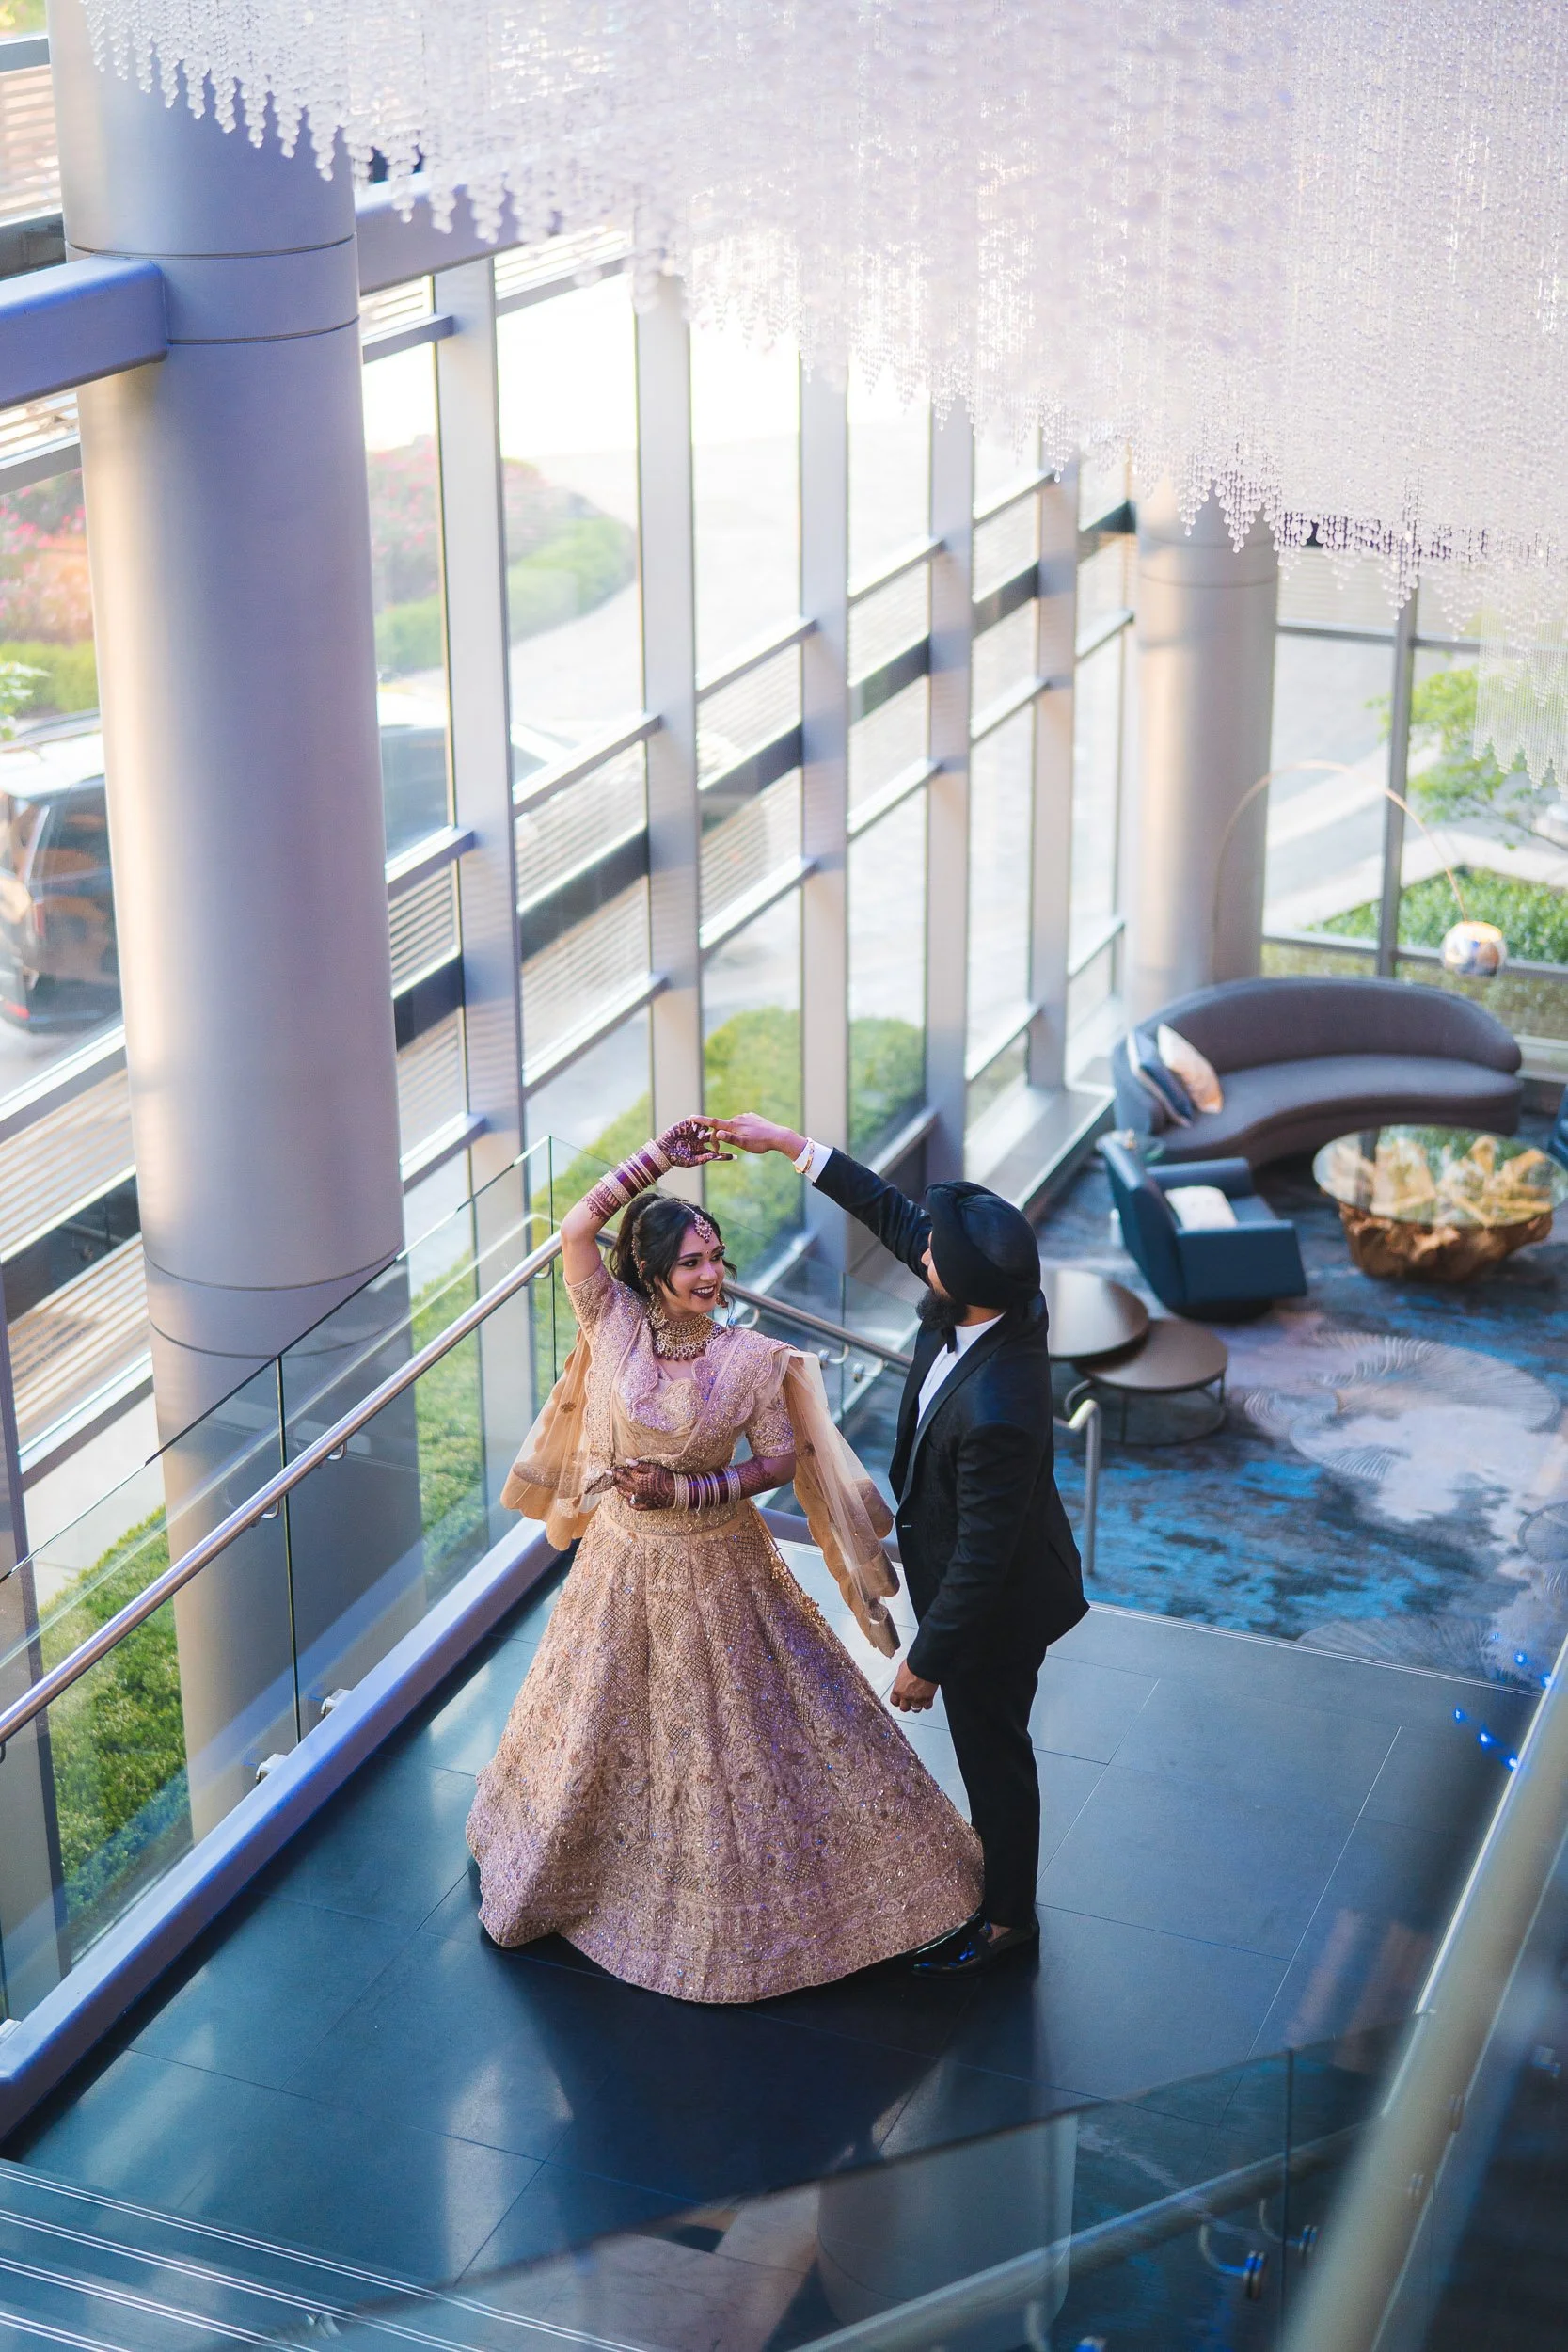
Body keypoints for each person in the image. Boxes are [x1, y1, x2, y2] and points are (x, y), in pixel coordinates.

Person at [467, 1118, 982, 2003]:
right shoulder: (615, 1323)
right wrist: (657, 1159)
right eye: (691, 1263)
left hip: (717, 1566)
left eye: (716, 1258)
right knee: (602, 1718)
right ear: (652, 1276)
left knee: (742, 1732)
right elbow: (577, 1230)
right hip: (623, 1566)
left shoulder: (752, 1359)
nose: (710, 1276)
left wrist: (684, 1494)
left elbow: (779, 1463)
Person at [714, 1114, 1087, 1976]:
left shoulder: (1001, 1408)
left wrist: (927, 1659)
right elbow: (892, 1215)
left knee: (994, 1755)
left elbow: (985, 1559)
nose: (919, 1256)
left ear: (958, 1287)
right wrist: (788, 1145)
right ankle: (998, 1896)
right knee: (988, 1750)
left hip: (996, 1609)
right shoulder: (993, 1296)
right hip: (975, 1570)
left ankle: (1006, 1923)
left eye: (931, 1261)